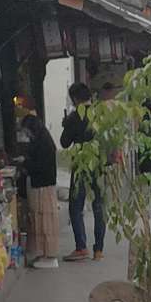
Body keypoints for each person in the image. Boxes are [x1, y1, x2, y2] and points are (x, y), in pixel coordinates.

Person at [61, 83, 107, 262]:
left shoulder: (74, 117)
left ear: (75, 98)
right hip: (98, 164)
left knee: (76, 206)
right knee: (98, 206)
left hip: (80, 164)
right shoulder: (101, 114)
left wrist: (66, 125)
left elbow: (64, 142)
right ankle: (99, 250)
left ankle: (81, 247)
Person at [19, 108, 61, 266]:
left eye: (26, 131)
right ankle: (44, 254)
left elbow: (40, 165)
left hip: (43, 186)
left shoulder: (43, 143)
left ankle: (48, 256)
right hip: (42, 185)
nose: (26, 135)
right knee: (40, 219)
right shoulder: (43, 139)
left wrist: (25, 162)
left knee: (44, 221)